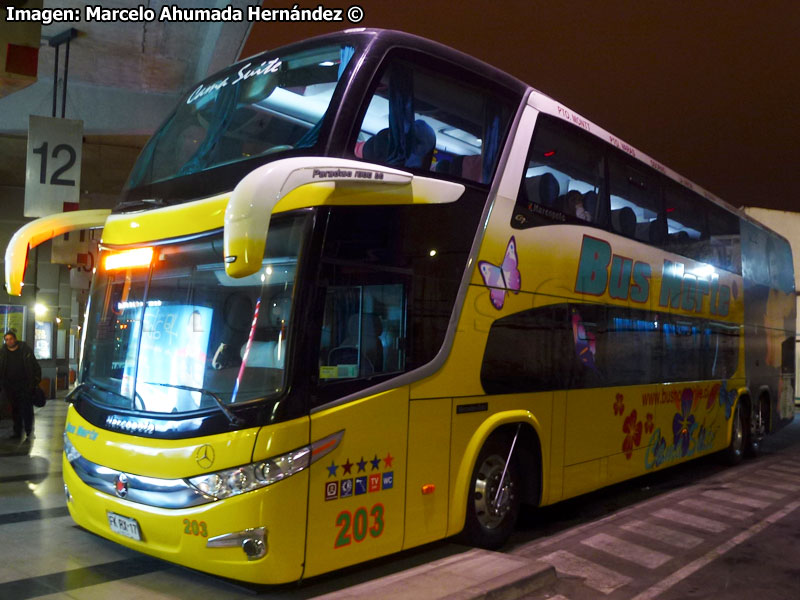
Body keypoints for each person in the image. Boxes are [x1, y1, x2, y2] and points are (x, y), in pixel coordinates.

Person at [0, 330, 42, 440]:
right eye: (7, 340)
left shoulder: (25, 350)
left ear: (15, 339)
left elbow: (34, 366)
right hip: (10, 386)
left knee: (27, 409)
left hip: (25, 386)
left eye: (11, 339)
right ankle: (17, 431)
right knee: (15, 409)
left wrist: (35, 381)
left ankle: (29, 431)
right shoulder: (3, 352)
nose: (9, 341)